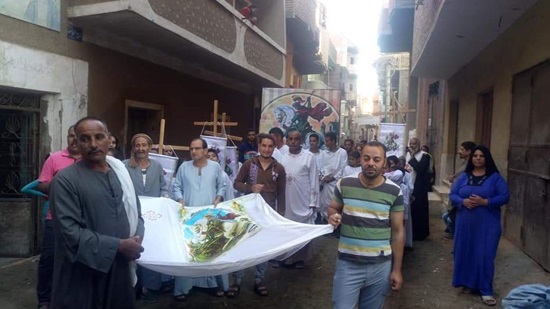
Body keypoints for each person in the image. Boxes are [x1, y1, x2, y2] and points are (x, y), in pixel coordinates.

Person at [49, 117, 144, 309]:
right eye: (85, 139)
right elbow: (70, 233)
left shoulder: (120, 173)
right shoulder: (65, 181)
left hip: (120, 270)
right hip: (83, 275)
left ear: (109, 139)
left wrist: (137, 239)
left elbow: (136, 212)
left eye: (99, 137)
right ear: (75, 143)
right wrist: (118, 246)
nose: (93, 144)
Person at [327, 141, 405, 309]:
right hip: (348, 264)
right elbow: (333, 207)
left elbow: (398, 232)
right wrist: (333, 215)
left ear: (384, 162)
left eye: (376, 159)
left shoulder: (394, 191)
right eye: (366, 158)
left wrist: (396, 270)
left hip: (380, 267)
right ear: (360, 158)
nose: (371, 163)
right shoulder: (345, 184)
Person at [450, 145, 509, 306]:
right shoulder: (464, 177)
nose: (477, 158)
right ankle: (468, 285)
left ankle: (486, 290)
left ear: (486, 158)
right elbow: (453, 194)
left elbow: (505, 196)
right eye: (475, 155)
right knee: (465, 252)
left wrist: (485, 202)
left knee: (485, 255)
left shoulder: (495, 177)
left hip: (487, 224)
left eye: (481, 156)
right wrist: (463, 201)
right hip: (465, 223)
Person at [229, 133, 286, 298]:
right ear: (259, 146)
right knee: (242, 244)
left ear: (274, 148)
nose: (267, 149)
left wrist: (280, 217)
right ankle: (237, 280)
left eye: (270, 146)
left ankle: (259, 280)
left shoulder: (279, 168)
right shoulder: (249, 164)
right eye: (264, 146)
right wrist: (250, 188)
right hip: (248, 212)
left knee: (263, 247)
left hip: (267, 214)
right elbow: (237, 183)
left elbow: (282, 195)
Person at [171, 138, 228, 301]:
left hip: (210, 217)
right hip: (190, 218)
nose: (193, 152)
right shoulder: (184, 167)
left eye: (197, 149)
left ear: (205, 150)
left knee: (212, 251)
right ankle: (184, 287)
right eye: (191, 149)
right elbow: (176, 187)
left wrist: (218, 198)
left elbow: (222, 185)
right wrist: (180, 199)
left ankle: (214, 285)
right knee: (189, 252)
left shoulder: (215, 167)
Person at [35, 126, 81, 309]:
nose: (74, 140)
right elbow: (41, 186)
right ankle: (45, 300)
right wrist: (57, 181)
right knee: (49, 259)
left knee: (77, 260)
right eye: (71, 136)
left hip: (82, 221)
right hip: (54, 219)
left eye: (79, 137)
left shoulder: (90, 161)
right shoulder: (54, 159)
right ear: (67, 137)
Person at [123, 133, 169, 303]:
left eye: (144, 145)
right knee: (134, 248)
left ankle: (151, 287)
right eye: (137, 145)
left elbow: (164, 187)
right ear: (133, 147)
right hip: (132, 216)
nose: (140, 148)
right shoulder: (125, 166)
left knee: (151, 248)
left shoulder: (156, 166)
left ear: (150, 147)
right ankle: (133, 287)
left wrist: (164, 197)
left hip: (153, 217)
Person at [279, 130, 319, 269]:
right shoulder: (282, 157)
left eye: (296, 139)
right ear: (286, 141)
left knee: (302, 230)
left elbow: (314, 180)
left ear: (301, 141)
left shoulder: (309, 157)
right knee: (286, 229)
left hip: (303, 199)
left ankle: (300, 259)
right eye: (290, 139)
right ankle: (285, 258)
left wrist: (313, 202)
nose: (293, 142)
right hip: (286, 199)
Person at [443, 141, 476, 239]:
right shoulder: (464, 163)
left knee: (450, 217)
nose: (459, 152)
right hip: (458, 198)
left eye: (462, 149)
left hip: (464, 199)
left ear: (469, 151)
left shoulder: (470, 166)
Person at [406, 138, 432, 241]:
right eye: (411, 144)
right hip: (409, 185)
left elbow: (420, 169)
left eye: (414, 144)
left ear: (419, 144)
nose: (412, 146)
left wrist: (412, 157)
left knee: (419, 210)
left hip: (419, 187)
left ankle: (420, 234)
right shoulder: (407, 155)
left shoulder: (425, 156)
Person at [319, 132, 348, 222]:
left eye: (327, 141)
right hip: (325, 183)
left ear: (333, 141)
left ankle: (334, 223)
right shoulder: (324, 153)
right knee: (324, 203)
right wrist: (323, 177)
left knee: (334, 204)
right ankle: (324, 220)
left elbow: (343, 168)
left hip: (335, 182)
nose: (326, 143)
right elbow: (321, 166)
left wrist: (332, 178)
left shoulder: (342, 153)